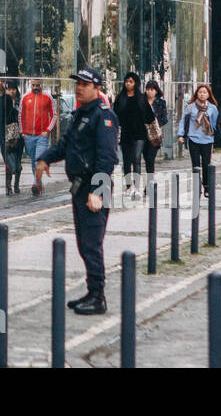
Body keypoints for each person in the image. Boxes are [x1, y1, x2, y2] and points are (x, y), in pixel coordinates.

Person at [34, 67, 119, 315]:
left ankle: (98, 296)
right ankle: (92, 291)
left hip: (94, 188)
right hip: (80, 188)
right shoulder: (80, 114)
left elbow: (107, 158)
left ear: (97, 88)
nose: (79, 88)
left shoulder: (104, 116)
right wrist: (45, 159)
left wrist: (98, 191)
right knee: (84, 243)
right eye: (77, 84)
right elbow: (65, 145)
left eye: (85, 84)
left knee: (92, 244)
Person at [113, 72, 155, 201]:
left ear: (135, 83)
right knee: (126, 161)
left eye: (131, 81)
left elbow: (150, 116)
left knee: (136, 158)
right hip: (125, 133)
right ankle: (128, 187)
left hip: (139, 134)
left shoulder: (141, 98)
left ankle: (137, 188)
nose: (128, 84)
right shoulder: (120, 98)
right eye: (126, 81)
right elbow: (114, 116)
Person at [178, 84, 219, 199]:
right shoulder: (190, 107)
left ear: (208, 95)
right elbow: (183, 121)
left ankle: (206, 186)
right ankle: (197, 188)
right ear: (197, 94)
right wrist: (181, 135)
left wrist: (214, 134)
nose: (202, 94)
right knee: (195, 165)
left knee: (206, 164)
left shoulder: (212, 108)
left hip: (207, 139)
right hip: (193, 138)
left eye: (205, 92)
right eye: (200, 92)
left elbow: (215, 124)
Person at [19, 78, 57, 196]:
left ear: (41, 84)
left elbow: (54, 115)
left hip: (42, 136)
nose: (35, 87)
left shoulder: (47, 96)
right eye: (33, 85)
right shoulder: (25, 97)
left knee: (38, 160)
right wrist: (22, 132)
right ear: (31, 84)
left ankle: (36, 184)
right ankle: (39, 184)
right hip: (28, 136)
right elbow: (21, 115)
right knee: (33, 160)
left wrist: (47, 131)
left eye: (37, 85)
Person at [142, 79, 168, 184]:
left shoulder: (161, 102)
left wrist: (156, 122)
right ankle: (149, 181)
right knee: (146, 159)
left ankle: (149, 182)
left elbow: (164, 118)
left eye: (152, 89)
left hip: (155, 135)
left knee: (150, 158)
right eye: (148, 89)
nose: (150, 92)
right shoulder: (141, 101)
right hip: (143, 134)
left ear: (156, 91)